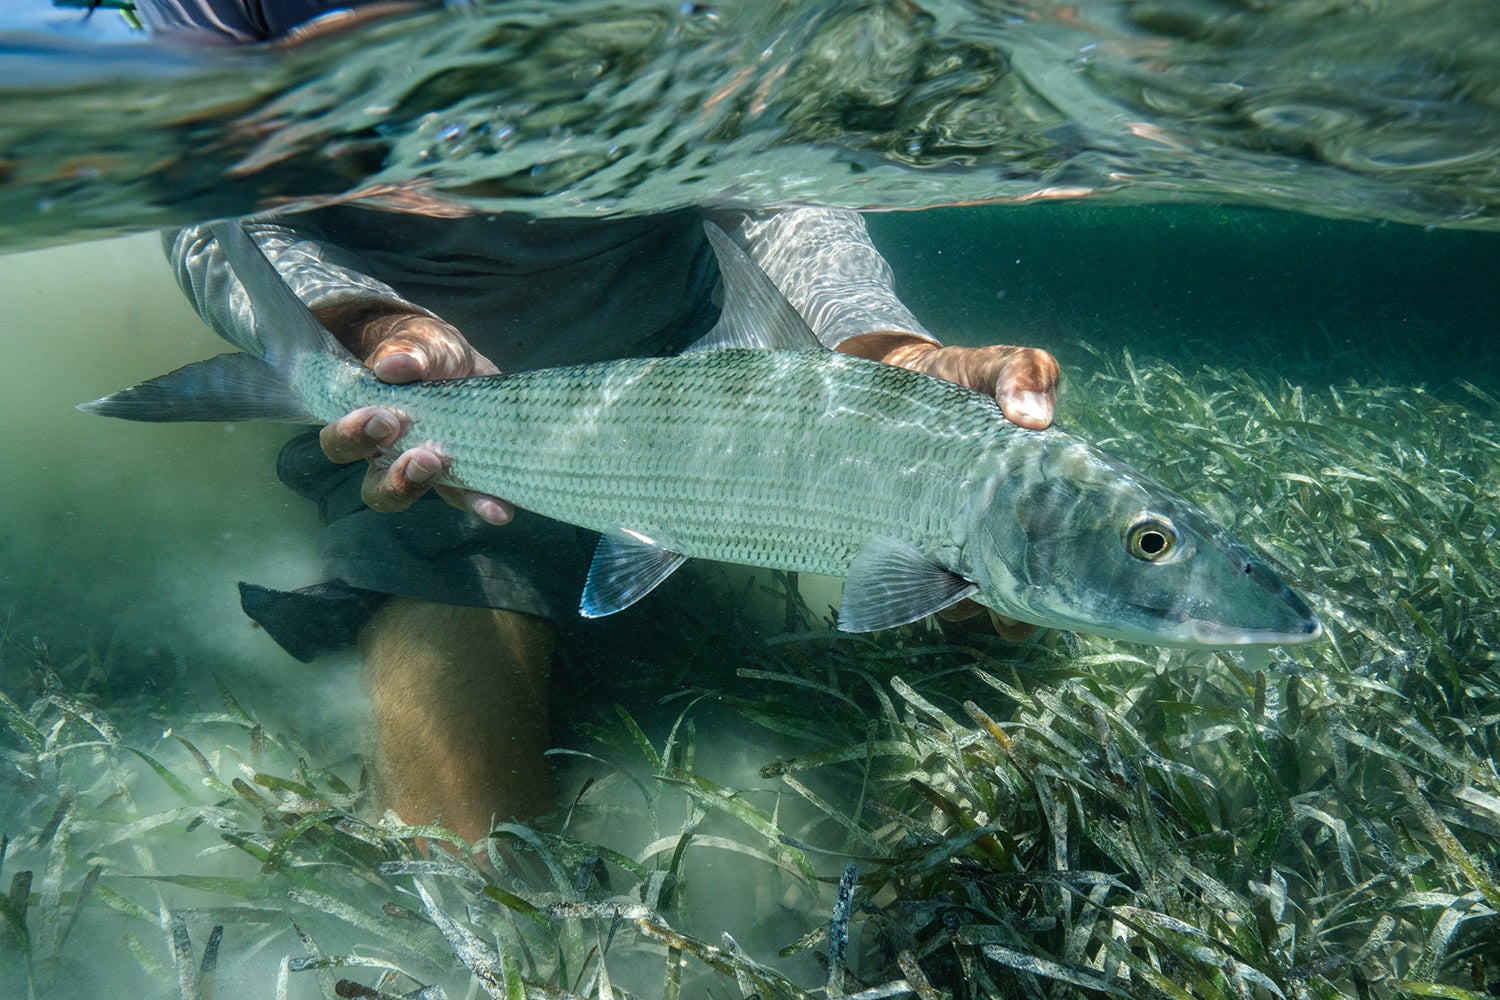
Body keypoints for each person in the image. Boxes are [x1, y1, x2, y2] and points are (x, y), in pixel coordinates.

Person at [133, 0, 1061, 842]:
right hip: (435, 421)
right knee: (476, 855)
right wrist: (361, 323)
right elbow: (211, 203)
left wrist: (882, 349)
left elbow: (773, 171)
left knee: (996, 641)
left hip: (697, 372)